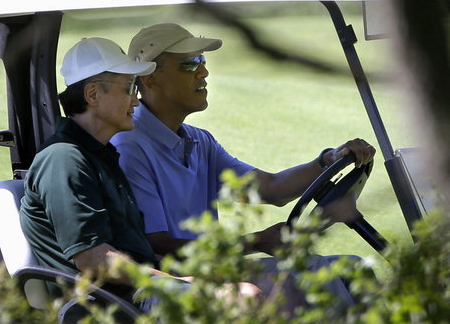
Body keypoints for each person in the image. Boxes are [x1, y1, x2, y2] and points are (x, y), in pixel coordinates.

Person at [111, 23, 376, 304]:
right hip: (173, 286)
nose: (203, 72)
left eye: (202, 61)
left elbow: (271, 189)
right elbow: (159, 246)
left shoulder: (199, 141)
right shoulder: (129, 146)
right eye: (189, 64)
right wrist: (257, 241)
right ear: (150, 78)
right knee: (292, 295)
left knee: (353, 272)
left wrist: (327, 160)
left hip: (212, 271)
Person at [19, 37, 261, 324]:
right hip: (104, 307)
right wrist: (176, 281)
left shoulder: (100, 156)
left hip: (130, 293)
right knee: (245, 297)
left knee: (269, 283)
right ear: (93, 94)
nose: (136, 99)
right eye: (129, 88)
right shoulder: (64, 159)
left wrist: (176, 277)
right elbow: (95, 261)